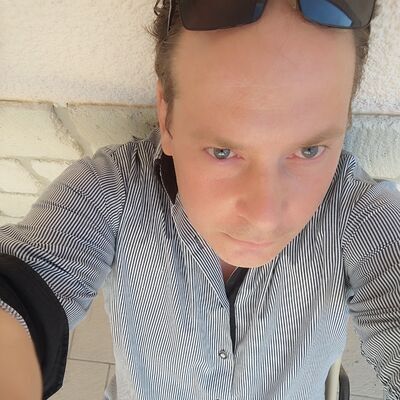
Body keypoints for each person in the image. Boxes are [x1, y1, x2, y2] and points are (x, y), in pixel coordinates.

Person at [0, 0, 399, 399]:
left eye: (309, 150)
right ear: (167, 116)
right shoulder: (112, 191)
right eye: (222, 151)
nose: (264, 217)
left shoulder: (356, 213)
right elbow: (24, 284)